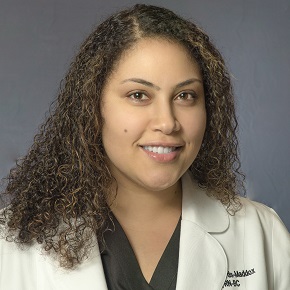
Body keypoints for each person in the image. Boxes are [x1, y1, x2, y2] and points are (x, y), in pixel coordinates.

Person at [0, 4, 289, 290]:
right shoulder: (9, 242)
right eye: (139, 95)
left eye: (186, 95)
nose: (167, 122)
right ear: (91, 107)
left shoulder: (261, 232)